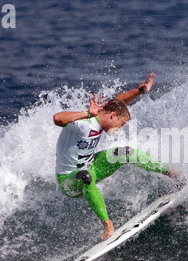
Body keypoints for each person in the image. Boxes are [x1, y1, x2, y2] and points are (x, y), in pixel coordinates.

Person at [53, 73, 180, 240]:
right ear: (112, 116)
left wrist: (140, 91)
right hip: (69, 180)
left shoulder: (105, 117)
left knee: (125, 152)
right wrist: (86, 113)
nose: (120, 129)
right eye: (121, 124)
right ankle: (107, 224)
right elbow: (57, 118)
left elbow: (119, 103)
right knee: (86, 176)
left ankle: (173, 174)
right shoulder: (84, 123)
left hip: (91, 166)